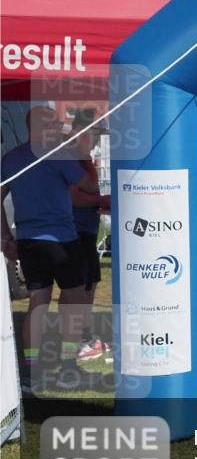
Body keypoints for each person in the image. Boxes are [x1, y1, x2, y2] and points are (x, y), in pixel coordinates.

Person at [1, 106, 102, 388]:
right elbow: (91, 187)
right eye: (55, 124)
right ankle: (69, 367)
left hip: (29, 241)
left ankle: (31, 373)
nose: (59, 129)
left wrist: (6, 237)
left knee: (37, 304)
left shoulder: (10, 159)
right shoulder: (57, 155)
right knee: (75, 303)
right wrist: (84, 158)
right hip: (61, 240)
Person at [68, 112, 112, 361]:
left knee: (89, 283)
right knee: (79, 288)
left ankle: (83, 337)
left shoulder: (83, 156)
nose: (97, 140)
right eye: (96, 134)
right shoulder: (72, 157)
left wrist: (99, 204)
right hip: (75, 230)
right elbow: (72, 196)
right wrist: (102, 200)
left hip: (86, 229)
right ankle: (80, 341)